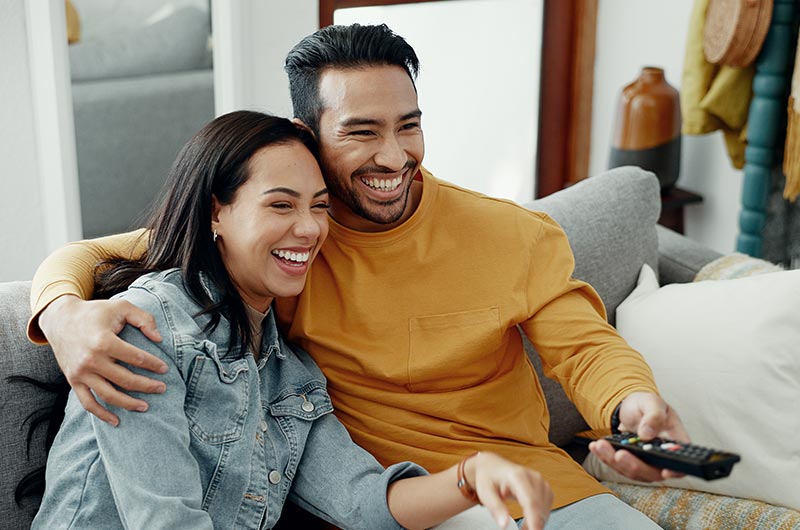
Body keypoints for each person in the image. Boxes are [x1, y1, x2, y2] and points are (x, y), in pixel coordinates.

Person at [28, 24, 688, 528]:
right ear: (307, 135)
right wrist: (62, 315)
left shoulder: (505, 237)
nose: (394, 156)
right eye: (363, 131)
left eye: (409, 127)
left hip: (502, 485)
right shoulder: (259, 251)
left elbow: (584, 346)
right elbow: (94, 256)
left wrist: (634, 405)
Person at [29, 110, 553, 530]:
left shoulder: (291, 374)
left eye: (319, 206)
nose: (308, 229)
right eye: (281, 206)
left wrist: (469, 476)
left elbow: (363, 503)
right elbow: (164, 519)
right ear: (217, 212)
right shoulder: (148, 326)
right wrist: (58, 309)